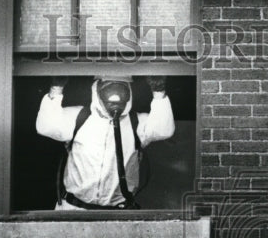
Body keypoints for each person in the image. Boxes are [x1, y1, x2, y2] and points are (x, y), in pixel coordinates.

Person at [35, 75, 175, 210]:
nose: (115, 94)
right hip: (74, 208)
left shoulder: (136, 123)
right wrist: (56, 89)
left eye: (121, 89)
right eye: (108, 88)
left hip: (117, 212)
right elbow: (46, 126)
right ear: (97, 90)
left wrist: (159, 92)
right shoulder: (78, 117)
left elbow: (164, 129)